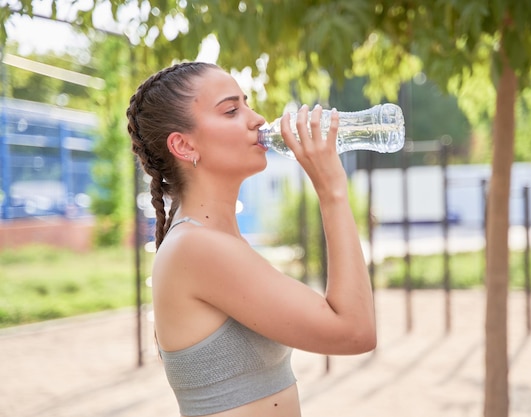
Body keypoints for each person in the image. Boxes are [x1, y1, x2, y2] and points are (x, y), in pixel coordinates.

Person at [126, 61, 376, 417]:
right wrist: (332, 190)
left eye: (247, 103)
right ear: (183, 145)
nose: (257, 118)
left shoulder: (212, 238)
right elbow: (354, 331)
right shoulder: (198, 248)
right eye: (231, 110)